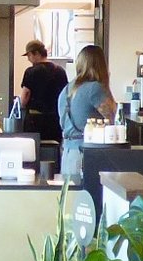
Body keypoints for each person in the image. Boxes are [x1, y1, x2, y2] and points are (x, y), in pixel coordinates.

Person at [58, 44, 116, 185]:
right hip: (86, 155)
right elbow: (113, 118)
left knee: (71, 201)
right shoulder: (95, 88)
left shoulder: (67, 89)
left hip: (67, 154)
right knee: (90, 201)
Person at [16, 39, 67, 146]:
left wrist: (21, 106)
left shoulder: (31, 71)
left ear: (36, 53)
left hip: (35, 120)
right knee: (53, 150)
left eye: (29, 55)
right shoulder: (60, 71)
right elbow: (65, 95)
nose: (29, 59)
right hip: (55, 120)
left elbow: (25, 96)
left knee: (33, 150)